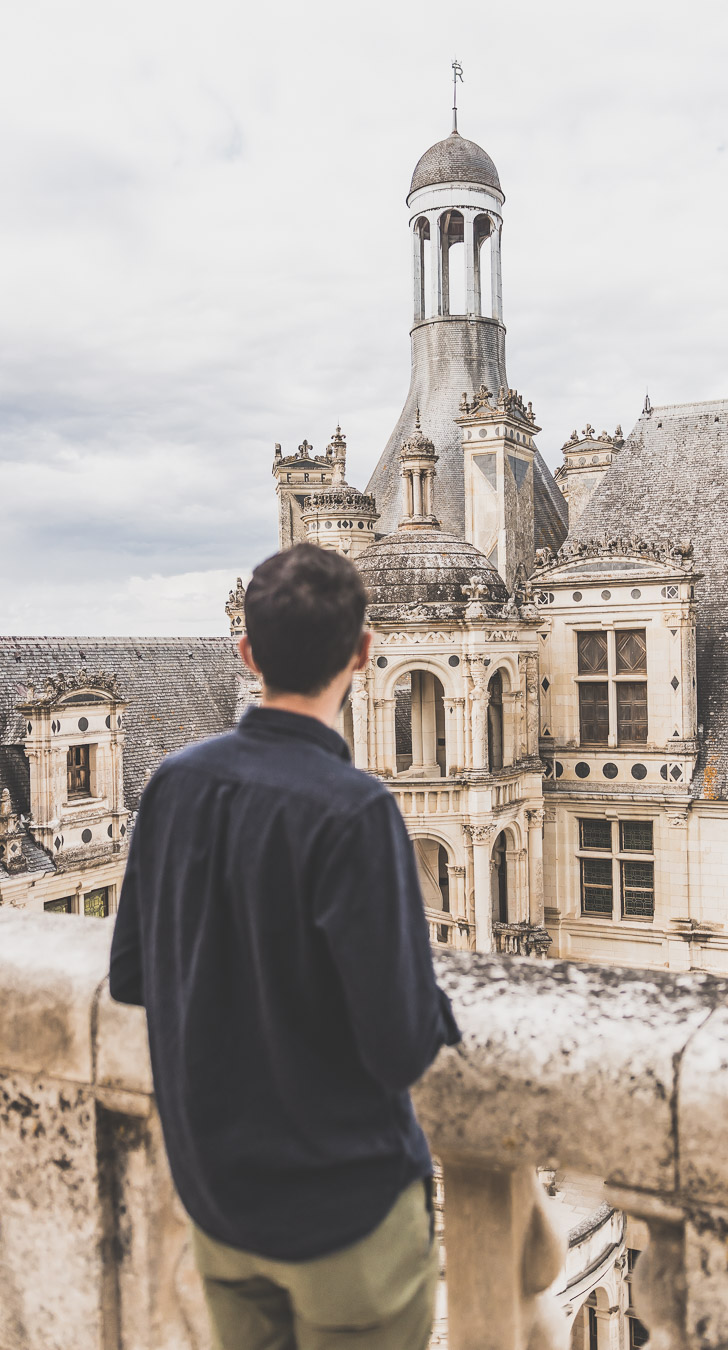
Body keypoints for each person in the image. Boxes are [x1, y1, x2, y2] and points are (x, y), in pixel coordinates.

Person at [109, 542, 460, 1350]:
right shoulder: (356, 809)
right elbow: (400, 1047)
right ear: (364, 655)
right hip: (343, 1220)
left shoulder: (174, 783)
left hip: (221, 1207)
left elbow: (133, 977)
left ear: (247, 652)